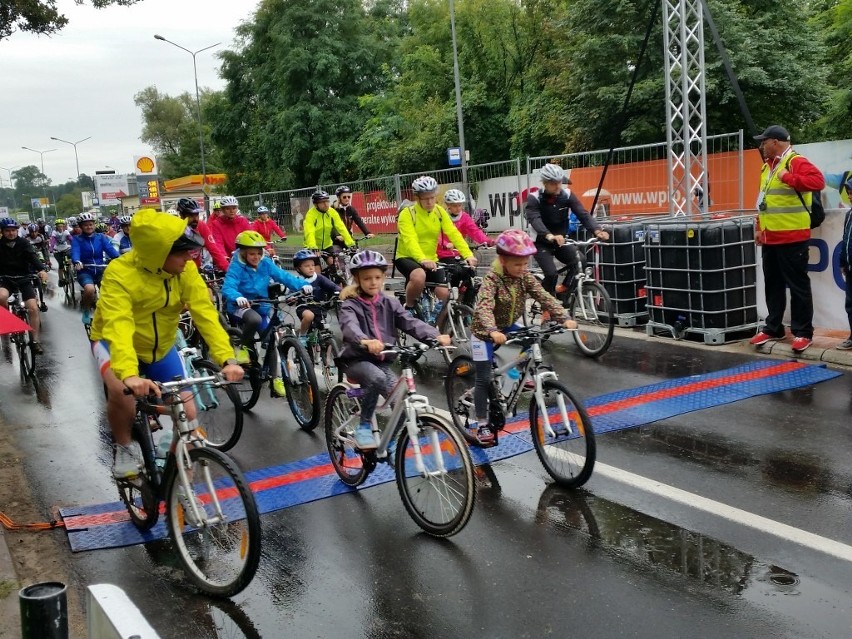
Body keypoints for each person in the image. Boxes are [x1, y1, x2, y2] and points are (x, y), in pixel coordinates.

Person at [89, 209, 244, 478]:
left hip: (160, 347)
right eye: (182, 253)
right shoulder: (119, 273)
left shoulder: (186, 271)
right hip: (113, 344)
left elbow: (205, 315)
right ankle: (124, 446)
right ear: (158, 254)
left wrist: (227, 358)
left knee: (188, 410)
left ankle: (176, 477)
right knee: (121, 396)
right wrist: (128, 374)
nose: (190, 257)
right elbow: (119, 325)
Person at [468, 230, 576, 445]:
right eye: (518, 264)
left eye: (526, 263)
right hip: (484, 332)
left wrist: (563, 316)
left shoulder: (525, 277)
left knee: (529, 339)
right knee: (484, 379)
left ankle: (518, 374)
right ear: (503, 260)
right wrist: (491, 330)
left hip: (507, 326)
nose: (523, 268)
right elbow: (485, 307)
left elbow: (544, 296)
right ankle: (481, 424)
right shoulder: (492, 280)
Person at [338, 250, 451, 448]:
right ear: (357, 279)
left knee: (402, 405)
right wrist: (365, 341)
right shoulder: (351, 305)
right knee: (377, 378)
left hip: (382, 360)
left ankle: (389, 446)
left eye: (377, 278)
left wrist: (434, 335)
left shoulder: (389, 303)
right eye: (367, 278)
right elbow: (350, 327)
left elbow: (409, 322)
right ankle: (364, 425)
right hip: (356, 360)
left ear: (383, 278)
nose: (373, 282)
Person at [749, 125, 825, 353]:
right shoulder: (767, 167)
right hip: (771, 238)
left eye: (764, 142)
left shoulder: (794, 161)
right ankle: (774, 327)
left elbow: (818, 181)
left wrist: (788, 177)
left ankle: (803, 333)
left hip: (793, 237)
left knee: (798, 286)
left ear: (775, 142)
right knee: (773, 285)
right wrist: (759, 227)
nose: (762, 146)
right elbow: (764, 202)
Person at [221, 230, 313, 398]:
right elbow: (228, 286)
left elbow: (283, 276)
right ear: (243, 252)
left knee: (270, 338)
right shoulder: (236, 266)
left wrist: (301, 285)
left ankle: (275, 379)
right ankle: (242, 347)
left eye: (258, 253)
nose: (256, 257)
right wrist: (238, 297)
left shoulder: (266, 263)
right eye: (251, 254)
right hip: (239, 306)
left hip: (261, 306)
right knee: (254, 319)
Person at [394, 176, 477, 313]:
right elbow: (410, 239)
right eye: (425, 198)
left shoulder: (439, 212)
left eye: (432, 197)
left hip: (431, 259)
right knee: (419, 276)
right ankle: (408, 307)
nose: (430, 201)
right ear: (418, 198)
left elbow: (453, 233)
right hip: (407, 257)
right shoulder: (407, 214)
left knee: (445, 294)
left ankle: (439, 328)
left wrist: (468, 254)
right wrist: (422, 259)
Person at [525, 163, 609, 295]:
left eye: (559, 182)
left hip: (561, 240)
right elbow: (535, 219)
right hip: (541, 242)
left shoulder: (567, 195)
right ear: (545, 183)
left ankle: (565, 289)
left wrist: (597, 230)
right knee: (551, 273)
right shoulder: (534, 198)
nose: (558, 186)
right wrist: (549, 235)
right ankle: (548, 306)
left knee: (580, 261)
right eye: (553, 183)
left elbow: (583, 214)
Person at [0, 217, 49, 353]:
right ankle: (6, 319)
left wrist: (41, 270)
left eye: (13, 230)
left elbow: (33, 257)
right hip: (5, 280)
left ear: (17, 231)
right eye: (7, 231)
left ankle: (35, 341)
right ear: (2, 232)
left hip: (24, 279)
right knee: (1, 296)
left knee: (33, 308)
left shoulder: (24, 243)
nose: (11, 233)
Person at [437, 189, 492, 293]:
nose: (458, 208)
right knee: (456, 271)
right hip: (443, 253)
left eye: (460, 205)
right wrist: (444, 244)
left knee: (471, 273)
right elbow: (435, 235)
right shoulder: (441, 217)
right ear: (448, 205)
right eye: (455, 206)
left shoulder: (464, 217)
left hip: (459, 251)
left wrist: (488, 241)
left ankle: (468, 303)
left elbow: (474, 231)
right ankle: (451, 296)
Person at [72, 211, 120, 325]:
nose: (89, 227)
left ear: (94, 225)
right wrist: (77, 261)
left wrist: (119, 259)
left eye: (91, 224)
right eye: (85, 225)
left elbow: (110, 250)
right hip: (85, 271)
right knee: (90, 290)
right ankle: (86, 310)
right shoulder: (77, 239)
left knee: (109, 290)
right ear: (81, 226)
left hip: (100, 270)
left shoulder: (101, 237)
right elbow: (75, 252)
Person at [292, 249, 340, 343]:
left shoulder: (319, 278)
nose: (311, 268)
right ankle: (302, 336)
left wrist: (341, 293)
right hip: (304, 307)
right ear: (298, 268)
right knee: (309, 316)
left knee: (325, 332)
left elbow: (333, 287)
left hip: (319, 307)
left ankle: (329, 351)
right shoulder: (297, 281)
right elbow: (291, 294)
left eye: (313, 265)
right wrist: (292, 299)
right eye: (307, 266)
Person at [176, 197, 230, 273]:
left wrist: (228, 270)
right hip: (178, 270)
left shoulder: (201, 226)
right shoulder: (175, 228)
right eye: (191, 215)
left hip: (196, 269)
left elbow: (213, 249)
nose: (195, 219)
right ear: (181, 215)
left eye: (197, 215)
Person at [303, 190, 356, 268]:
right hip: (312, 246)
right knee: (316, 271)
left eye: (327, 201)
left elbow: (341, 228)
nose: (326, 204)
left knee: (335, 267)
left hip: (327, 245)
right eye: (322, 202)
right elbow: (309, 232)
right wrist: (313, 246)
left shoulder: (332, 212)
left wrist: (351, 243)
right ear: (316, 204)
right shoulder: (311, 215)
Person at [837, 176, 852, 350]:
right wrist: (843, 262)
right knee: (850, 303)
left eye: (851, 192)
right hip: (849, 267)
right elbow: (845, 240)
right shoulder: (849, 214)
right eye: (848, 192)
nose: (849, 196)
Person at [49, 218, 73, 284]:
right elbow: (53, 241)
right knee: (61, 264)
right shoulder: (54, 232)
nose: (60, 227)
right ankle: (61, 279)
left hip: (66, 248)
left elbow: (70, 238)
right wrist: (51, 248)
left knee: (70, 258)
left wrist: (74, 244)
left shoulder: (66, 231)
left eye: (61, 226)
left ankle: (70, 271)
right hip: (57, 250)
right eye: (59, 226)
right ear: (56, 226)